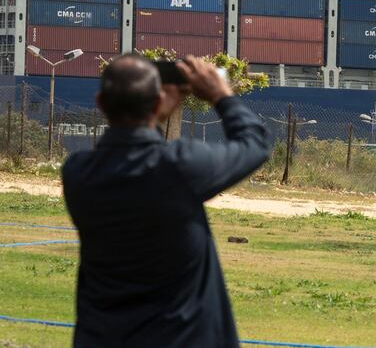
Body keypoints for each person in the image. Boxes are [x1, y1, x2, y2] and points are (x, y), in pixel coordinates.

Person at [62, 54, 271, 347]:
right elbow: (255, 143)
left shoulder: (78, 173)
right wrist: (221, 95)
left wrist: (155, 113)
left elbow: (129, 155)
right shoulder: (180, 167)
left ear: (100, 103)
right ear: (158, 104)